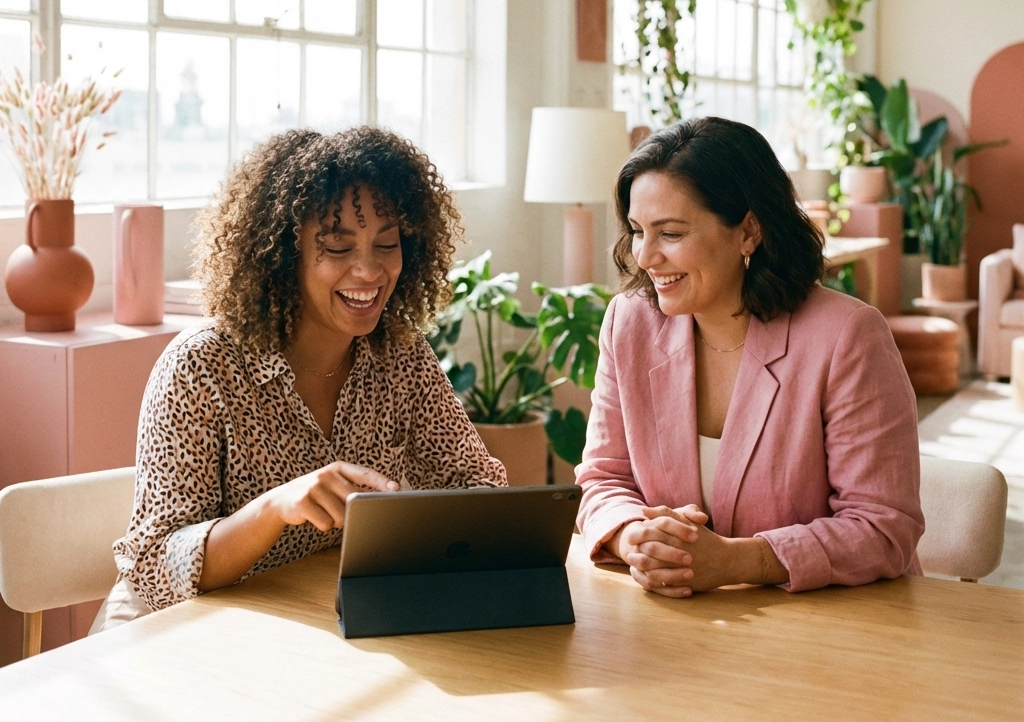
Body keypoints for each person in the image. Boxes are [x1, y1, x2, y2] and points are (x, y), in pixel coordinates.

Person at [94, 127, 505, 629]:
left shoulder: (399, 355)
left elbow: (476, 487)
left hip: (303, 619)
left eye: (388, 243)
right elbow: (156, 565)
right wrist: (273, 509)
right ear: (284, 255)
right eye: (337, 247)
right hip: (169, 633)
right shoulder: (200, 367)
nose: (369, 270)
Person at [575, 117, 924, 597]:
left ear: (749, 232)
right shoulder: (629, 323)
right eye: (638, 231)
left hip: (838, 627)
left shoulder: (847, 336)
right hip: (683, 627)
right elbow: (602, 477)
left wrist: (739, 561)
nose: (645, 257)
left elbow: (884, 528)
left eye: (671, 234)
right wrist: (633, 536)